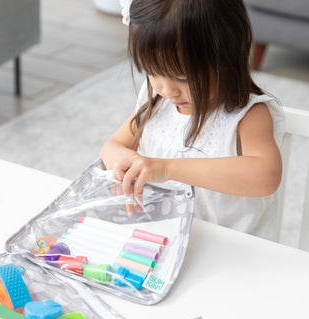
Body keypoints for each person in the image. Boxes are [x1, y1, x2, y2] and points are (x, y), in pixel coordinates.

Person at [100, 0, 284, 240]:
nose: (167, 89)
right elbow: (112, 147)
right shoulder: (156, 100)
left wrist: (165, 168)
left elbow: (266, 177)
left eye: (182, 78)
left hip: (233, 250)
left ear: (225, 60)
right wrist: (126, 164)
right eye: (153, 72)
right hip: (167, 237)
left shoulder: (248, 115)